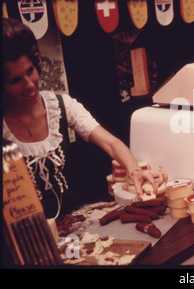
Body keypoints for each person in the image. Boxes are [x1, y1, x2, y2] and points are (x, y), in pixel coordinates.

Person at [2, 18, 168, 219]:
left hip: (72, 223)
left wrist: (135, 171)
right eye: (14, 80)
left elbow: (111, 143)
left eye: (30, 71)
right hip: (25, 234)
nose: (29, 84)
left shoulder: (61, 106)